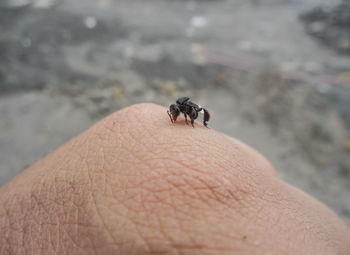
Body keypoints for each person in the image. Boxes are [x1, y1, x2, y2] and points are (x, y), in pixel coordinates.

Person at [0, 104, 349, 255]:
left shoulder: (190, 111)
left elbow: (190, 110)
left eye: (178, 113)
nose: (177, 115)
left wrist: (197, 123)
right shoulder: (176, 110)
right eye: (178, 113)